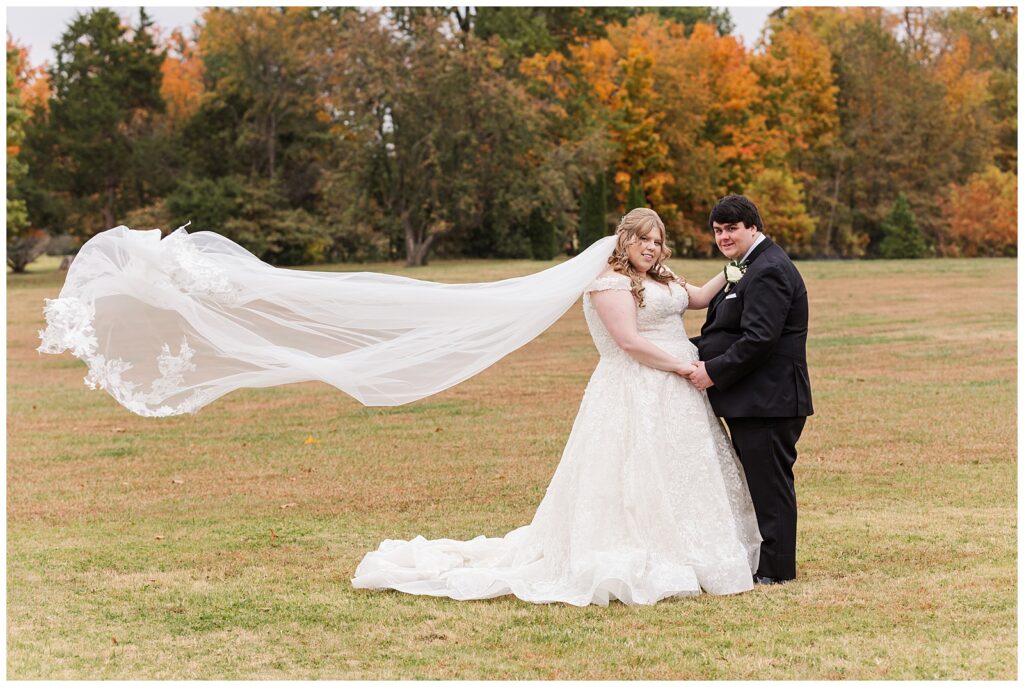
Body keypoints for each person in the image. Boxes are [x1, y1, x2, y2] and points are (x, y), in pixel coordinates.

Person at [352, 208, 761, 605]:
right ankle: (636, 551)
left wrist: (738, 266)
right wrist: (682, 367)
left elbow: (700, 298)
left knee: (679, 468)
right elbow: (629, 342)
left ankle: (693, 550)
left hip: (677, 391)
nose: (651, 247)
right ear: (624, 240)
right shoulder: (610, 283)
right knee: (633, 470)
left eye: (657, 241)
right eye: (643, 239)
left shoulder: (661, 276)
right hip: (637, 386)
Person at [687, 195, 813, 585]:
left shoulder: (770, 269)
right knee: (758, 484)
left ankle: (776, 572)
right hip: (753, 399)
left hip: (770, 401)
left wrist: (713, 372)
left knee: (771, 486)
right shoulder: (744, 266)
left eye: (731, 229)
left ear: (753, 227)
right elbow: (724, 331)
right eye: (718, 230)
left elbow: (759, 339)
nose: (723, 237)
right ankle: (763, 562)